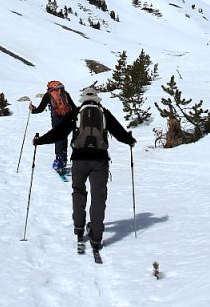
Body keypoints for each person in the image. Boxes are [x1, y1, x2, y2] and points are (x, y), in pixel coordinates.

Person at [33, 87, 136, 252]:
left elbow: (58, 133)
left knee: (78, 192)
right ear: (96, 99)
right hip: (100, 161)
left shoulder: (76, 113)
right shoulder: (104, 113)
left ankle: (79, 228)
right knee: (98, 198)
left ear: (83, 99)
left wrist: (39, 141)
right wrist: (130, 140)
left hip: (79, 160)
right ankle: (96, 238)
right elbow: (119, 132)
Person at [30, 81, 76, 173]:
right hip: (67, 118)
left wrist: (32, 110)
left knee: (57, 137)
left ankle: (59, 161)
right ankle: (64, 159)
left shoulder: (48, 95)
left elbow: (40, 109)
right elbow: (73, 107)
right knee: (64, 137)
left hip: (56, 119)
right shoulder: (65, 93)